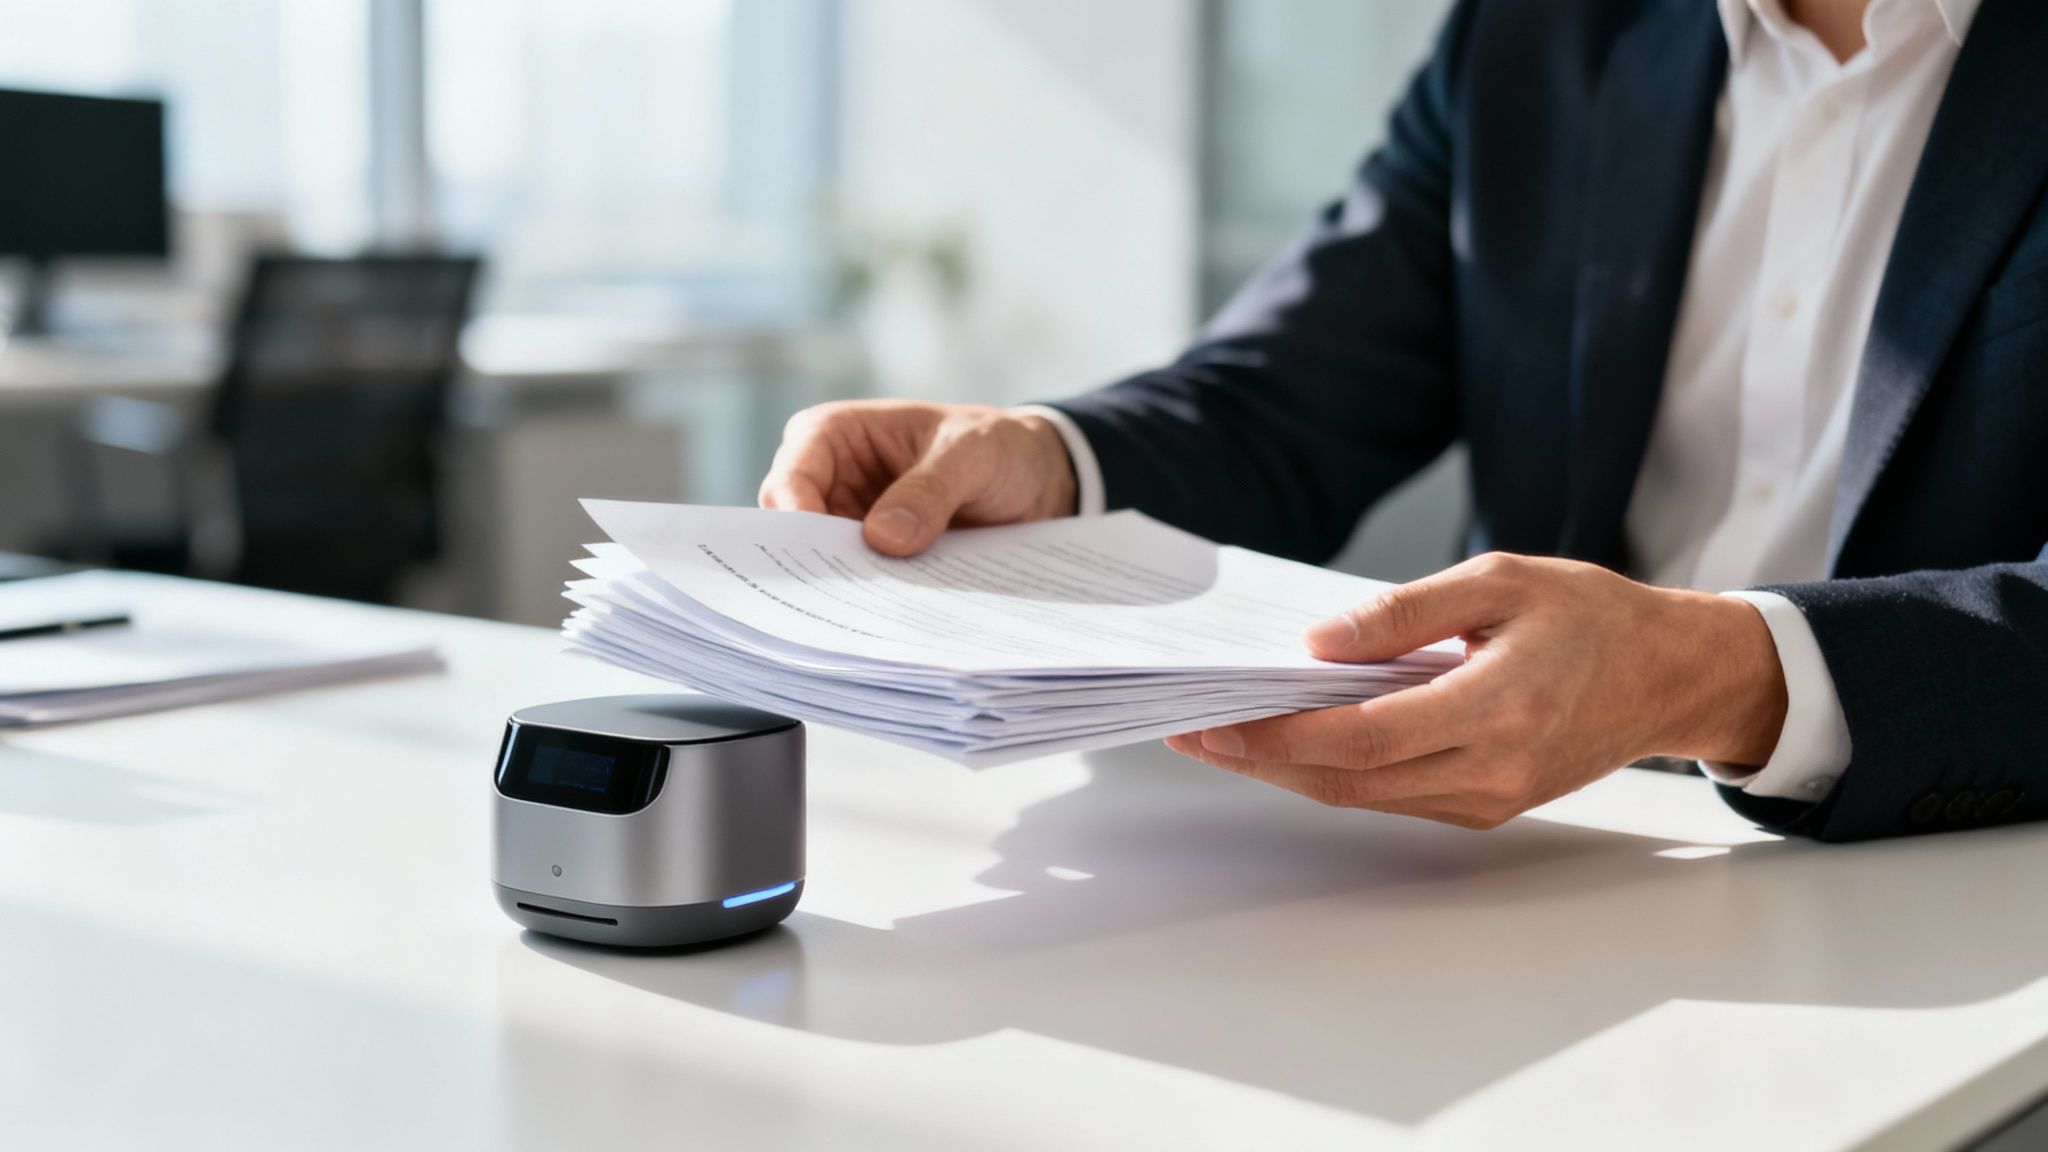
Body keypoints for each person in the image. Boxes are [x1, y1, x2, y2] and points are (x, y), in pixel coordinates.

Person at [760, 0, 2048, 843]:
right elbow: (1289, 391)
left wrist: (1716, 677)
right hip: (1519, 872)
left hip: (1949, 907)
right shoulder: (1535, 38)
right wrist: (1048, 458)